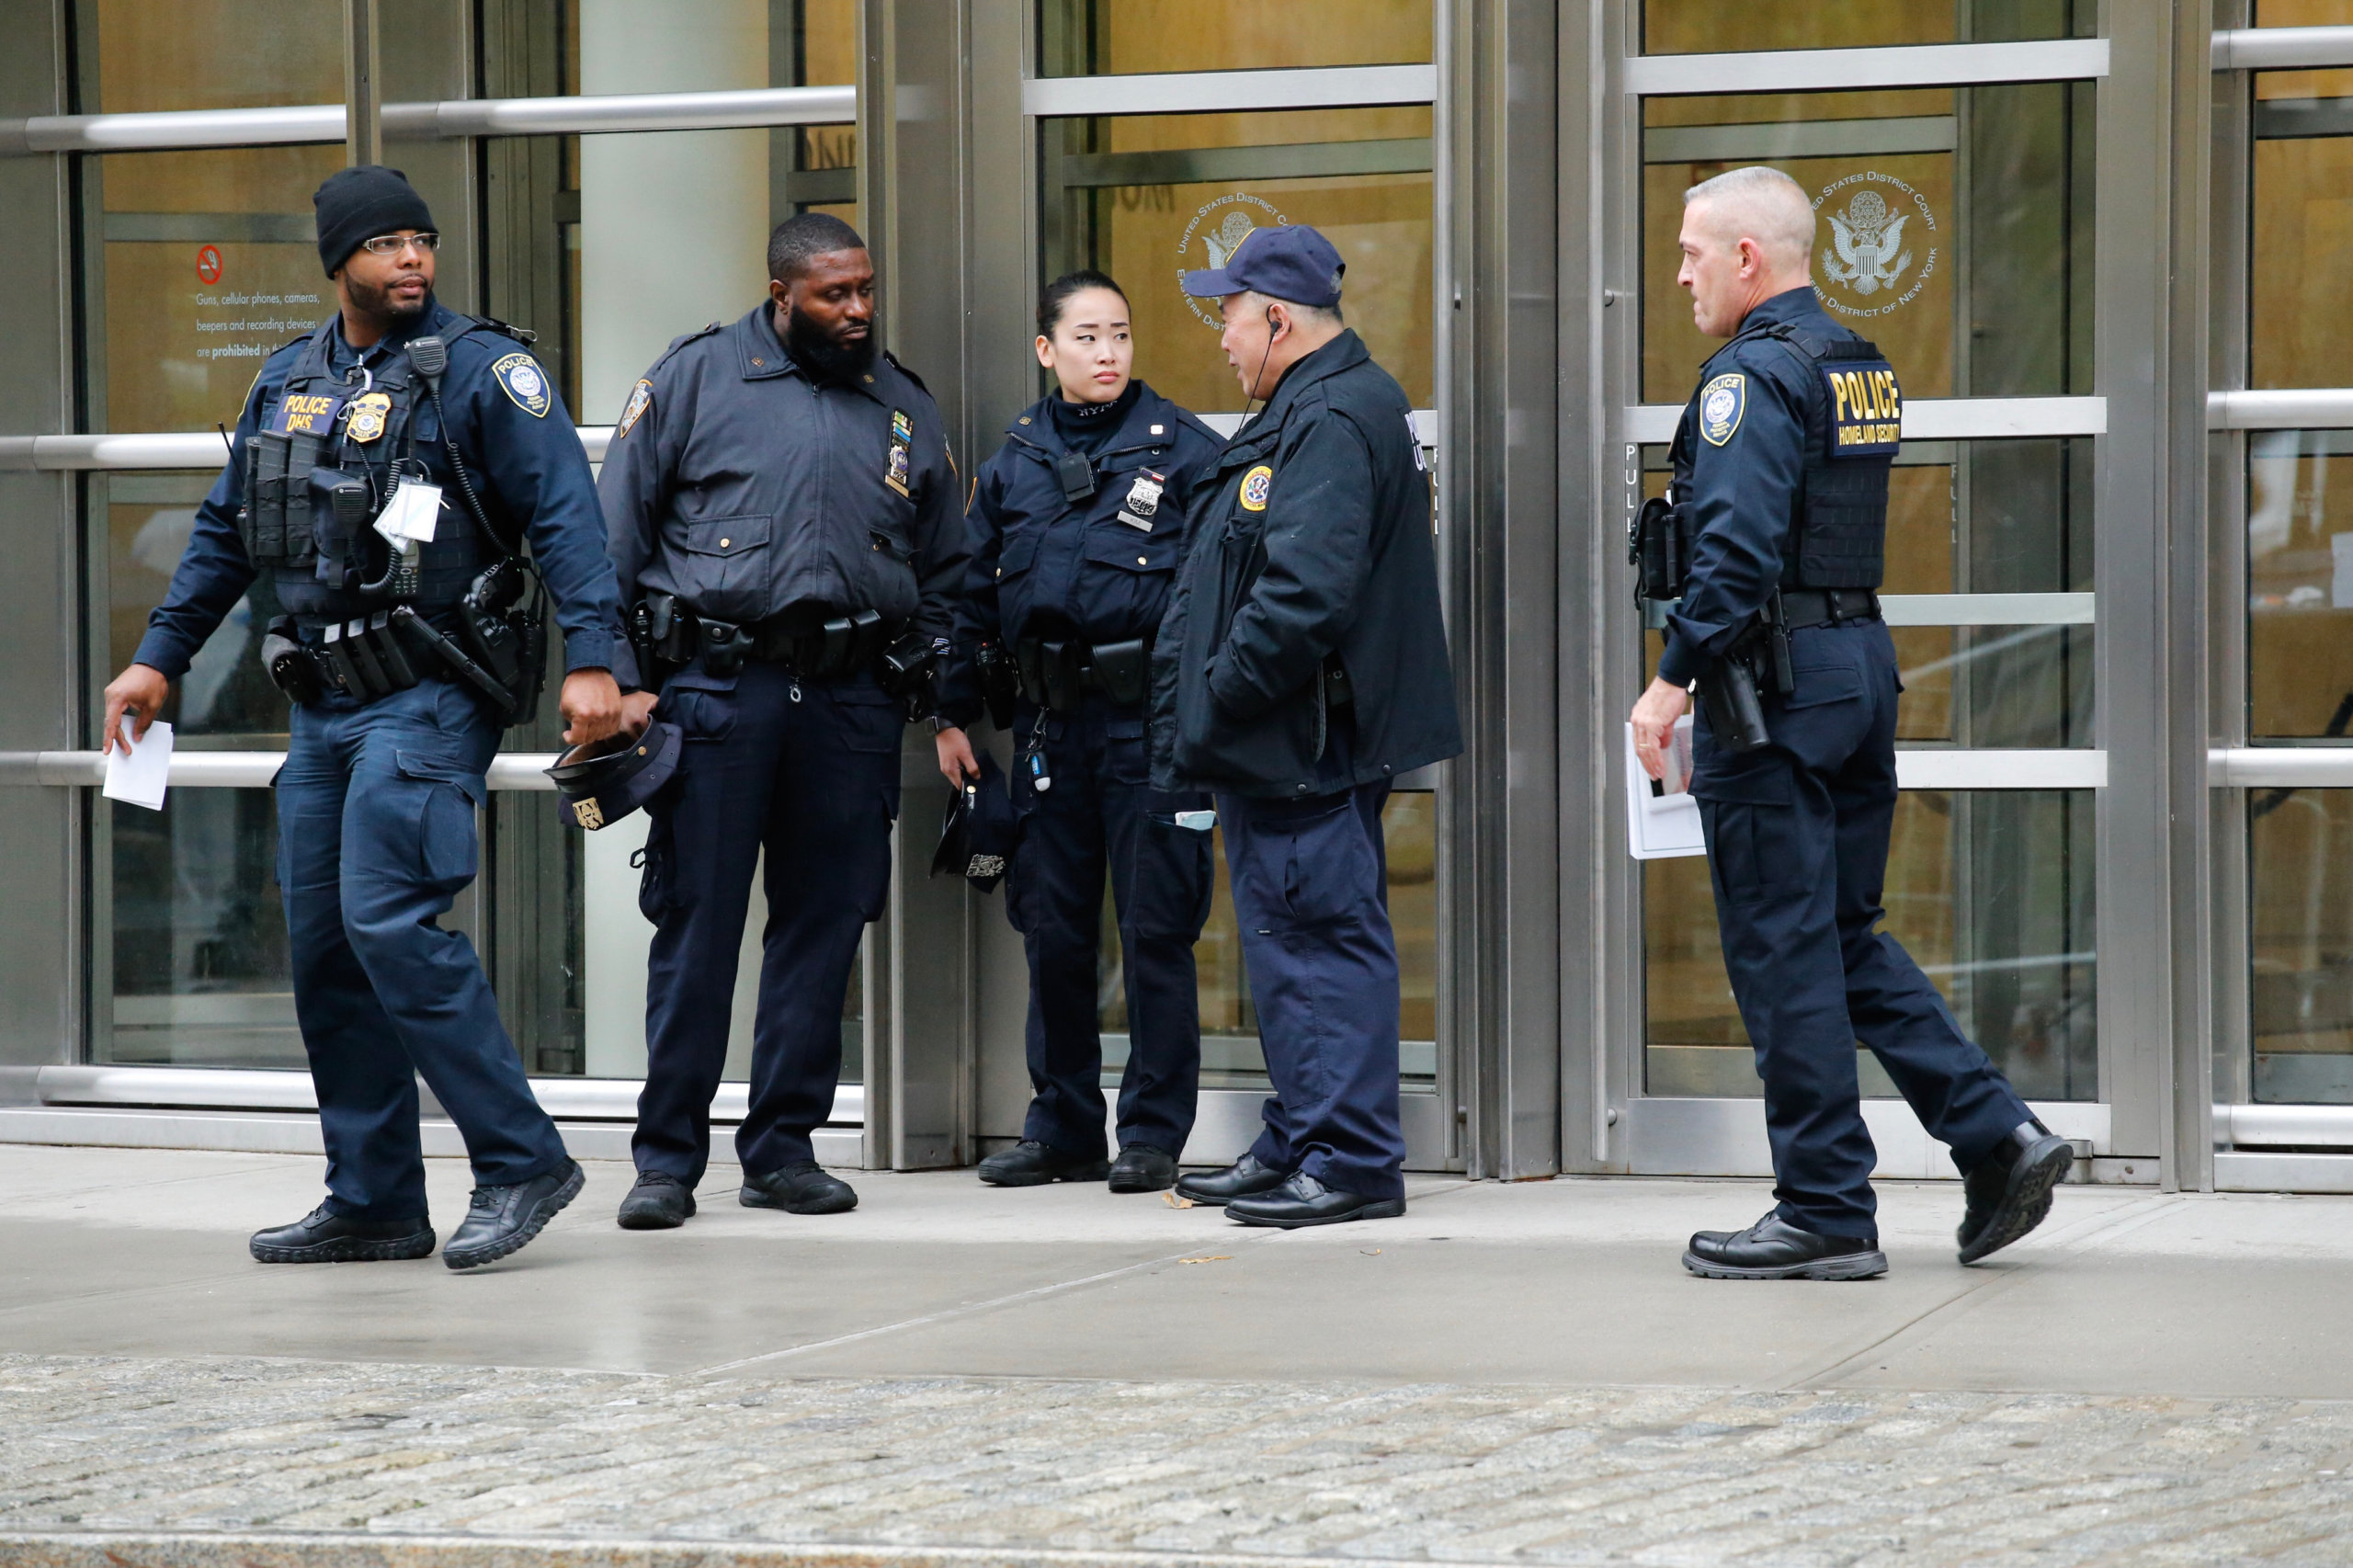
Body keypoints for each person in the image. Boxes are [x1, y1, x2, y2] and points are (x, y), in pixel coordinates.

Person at [101, 165, 631, 1270]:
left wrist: (597, 659)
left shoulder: (486, 372)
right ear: (337, 260)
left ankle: (522, 1158)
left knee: (391, 922)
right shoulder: (288, 377)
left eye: (421, 240)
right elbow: (225, 532)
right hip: (325, 708)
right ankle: (377, 1197)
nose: (411, 260)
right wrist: (158, 659)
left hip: (430, 694)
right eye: (386, 243)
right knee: (330, 951)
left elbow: (569, 522)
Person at [1628, 165, 2075, 1281]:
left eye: (1692, 251)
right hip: (1852, 668)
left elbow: (1731, 554)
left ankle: (1823, 1205)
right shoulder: (1851, 360)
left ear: (1747, 258)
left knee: (1784, 949)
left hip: (1770, 684)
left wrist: (1669, 681)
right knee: (1838, 933)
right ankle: (1997, 1134)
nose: (1677, 271)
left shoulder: (1748, 377)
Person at [599, 211, 964, 1230]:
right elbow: (609, 543)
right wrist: (618, 677)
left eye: (865, 290)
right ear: (781, 295)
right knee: (700, 926)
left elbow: (946, 569)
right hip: (718, 693)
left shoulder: (900, 401)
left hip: (849, 700)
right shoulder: (695, 379)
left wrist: (929, 690)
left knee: (822, 927)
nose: (857, 310)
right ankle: (667, 1157)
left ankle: (783, 1147)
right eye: (834, 295)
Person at [1151, 224, 1461, 1228]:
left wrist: (1219, 695)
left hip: (1298, 736)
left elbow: (1302, 593)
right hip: (1282, 735)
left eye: (1231, 318)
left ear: (1276, 317)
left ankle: (1354, 1158)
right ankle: (1303, 1134)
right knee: (1290, 945)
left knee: (1321, 941)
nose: (1224, 340)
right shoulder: (1316, 405)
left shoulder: (1330, 415)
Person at [934, 271, 1223, 1194]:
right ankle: (1061, 1124)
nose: (1108, 353)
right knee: (1053, 931)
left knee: (1153, 929)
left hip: (1154, 727)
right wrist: (950, 710)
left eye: (1121, 335)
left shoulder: (1185, 452)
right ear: (1045, 348)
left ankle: (1150, 1130)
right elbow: (966, 593)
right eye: (1089, 336)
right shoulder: (1014, 459)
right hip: (1053, 728)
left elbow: (1223, 597)